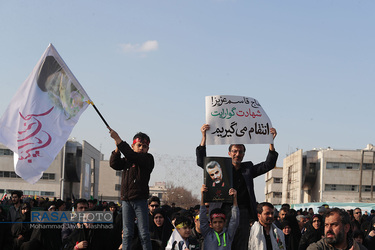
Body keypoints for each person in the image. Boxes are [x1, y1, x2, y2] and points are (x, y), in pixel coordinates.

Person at [196, 124, 278, 250]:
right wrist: (203, 138)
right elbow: (202, 162)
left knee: (241, 244)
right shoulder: (221, 167)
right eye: (234, 151)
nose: (237, 154)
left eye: (240, 151)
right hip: (222, 210)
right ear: (229, 153)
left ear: (244, 154)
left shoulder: (248, 169)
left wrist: (271, 142)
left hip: (242, 212)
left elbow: (268, 165)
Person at [109, 129, 154, 250]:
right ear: (133, 146)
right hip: (126, 200)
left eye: (144, 146)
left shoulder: (148, 159)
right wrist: (118, 147)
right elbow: (114, 164)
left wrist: (119, 139)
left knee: (144, 233)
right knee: (127, 233)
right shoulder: (127, 161)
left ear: (147, 149)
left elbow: (131, 155)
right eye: (139, 145)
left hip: (140, 200)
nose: (141, 148)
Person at [199, 184, 239, 249]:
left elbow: (234, 220)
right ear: (211, 223)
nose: (217, 224)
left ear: (224, 222)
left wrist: (234, 198)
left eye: (220, 222)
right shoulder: (207, 233)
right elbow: (202, 218)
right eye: (215, 222)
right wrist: (202, 195)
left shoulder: (228, 234)